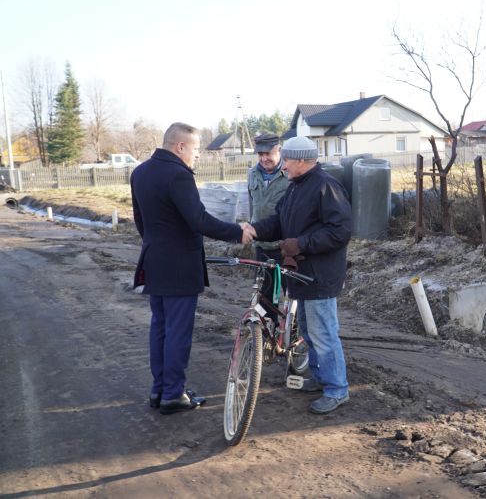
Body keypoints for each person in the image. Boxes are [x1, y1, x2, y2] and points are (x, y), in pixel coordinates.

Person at [131, 122, 255, 415]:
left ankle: (159, 389)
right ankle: (173, 394)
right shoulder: (178, 175)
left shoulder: (140, 172)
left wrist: (156, 246)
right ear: (180, 146)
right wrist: (237, 232)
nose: (198, 155)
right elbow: (199, 220)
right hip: (179, 265)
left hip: (154, 260)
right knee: (177, 331)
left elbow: (140, 221)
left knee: (160, 327)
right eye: (196, 148)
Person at [251, 135, 352, 414]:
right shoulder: (297, 187)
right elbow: (279, 221)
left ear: (303, 161)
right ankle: (321, 379)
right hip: (302, 274)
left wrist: (302, 243)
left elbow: (340, 231)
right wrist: (255, 229)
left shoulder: (325, 186)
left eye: (288, 162)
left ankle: (337, 389)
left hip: (319, 275)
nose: (283, 167)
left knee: (323, 333)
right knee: (308, 331)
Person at [247, 133, 290, 301]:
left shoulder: (289, 175)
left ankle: (290, 327)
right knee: (264, 295)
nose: (264, 159)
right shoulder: (252, 174)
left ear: (279, 150)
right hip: (261, 245)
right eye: (260, 154)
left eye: (268, 154)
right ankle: (267, 327)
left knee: (290, 297)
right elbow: (253, 207)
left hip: (285, 247)